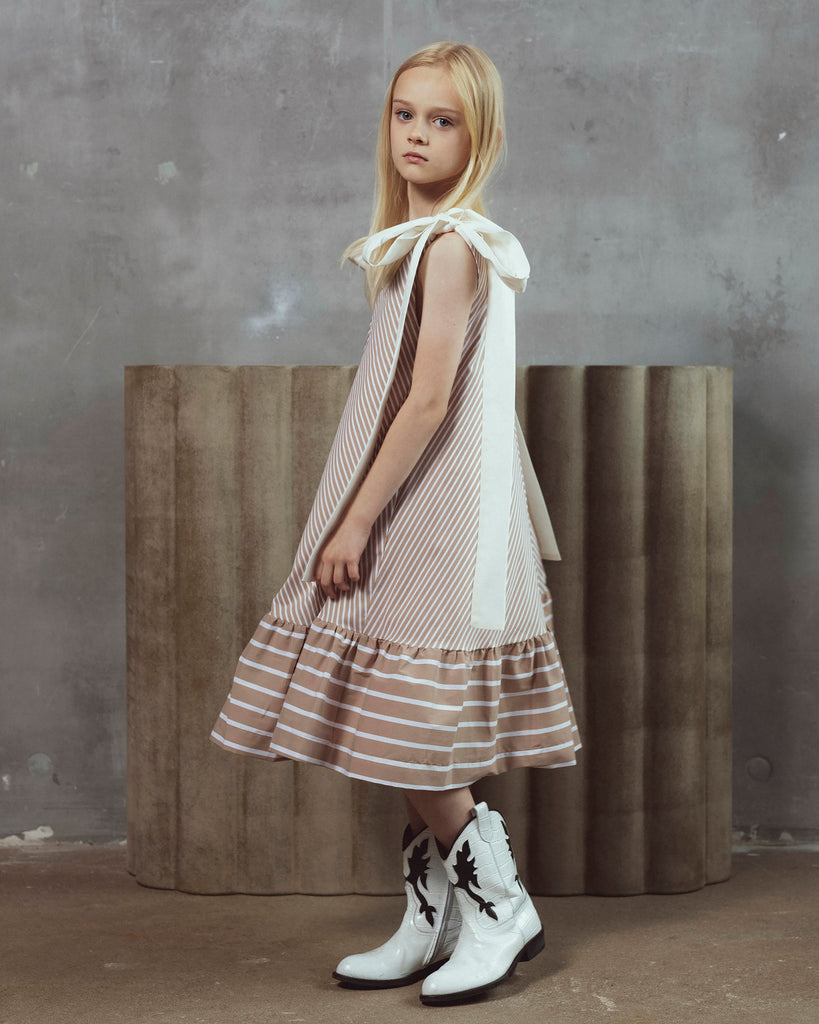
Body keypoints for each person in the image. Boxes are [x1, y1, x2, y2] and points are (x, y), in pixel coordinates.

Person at [210, 41, 580, 1006]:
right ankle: (432, 918)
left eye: (441, 120)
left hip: (427, 515)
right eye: (403, 113)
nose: (415, 134)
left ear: (477, 135)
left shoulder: (452, 245)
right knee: (399, 726)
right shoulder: (417, 243)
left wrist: (353, 521)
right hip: (414, 505)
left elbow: (426, 401)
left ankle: (499, 909)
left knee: (413, 725)